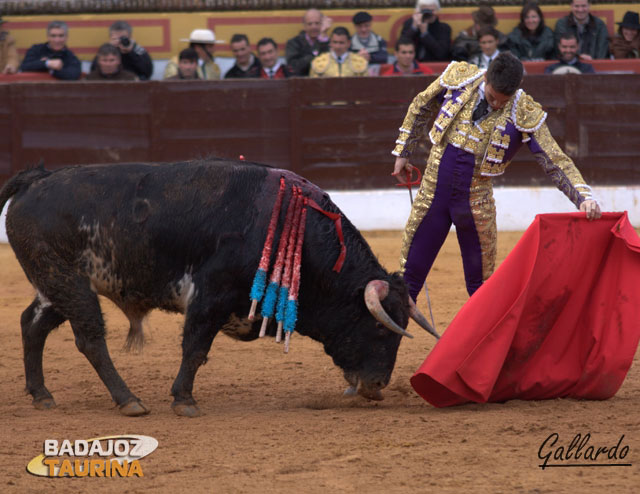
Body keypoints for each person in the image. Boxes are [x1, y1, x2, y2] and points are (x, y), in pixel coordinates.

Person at [391, 53, 600, 299]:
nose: (498, 105)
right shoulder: (460, 78)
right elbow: (421, 104)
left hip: (475, 203)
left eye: (505, 100)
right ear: (486, 78)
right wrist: (403, 151)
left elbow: (554, 158)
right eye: (492, 98)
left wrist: (582, 195)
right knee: (409, 278)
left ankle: (482, 338)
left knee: (481, 288)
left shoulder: (523, 109)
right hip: (432, 193)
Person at [285, 8, 331, 76]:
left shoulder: (332, 42)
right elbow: (294, 67)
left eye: (317, 23)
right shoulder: (293, 43)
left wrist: (322, 39)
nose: (314, 27)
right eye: (310, 24)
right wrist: (315, 52)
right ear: (304, 26)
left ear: (322, 24)